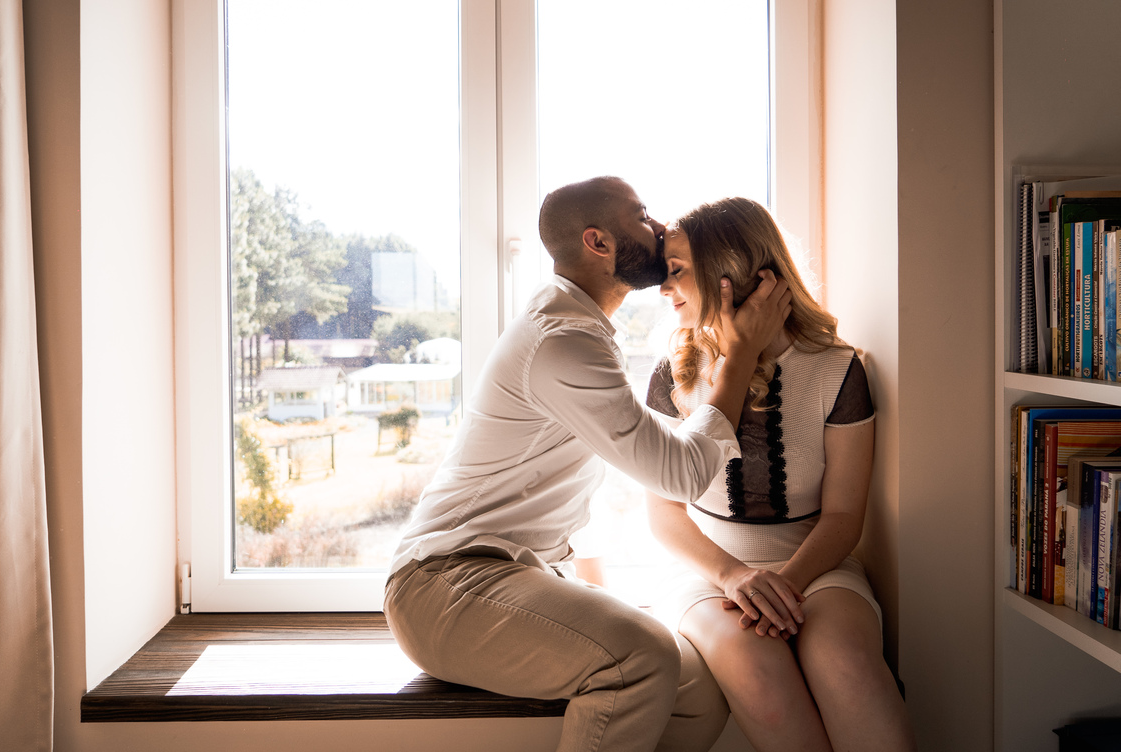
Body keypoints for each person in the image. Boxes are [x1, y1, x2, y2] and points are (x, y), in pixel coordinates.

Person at [383, 176, 791, 752]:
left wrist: (596, 589)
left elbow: (580, 481)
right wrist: (741, 355)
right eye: (641, 214)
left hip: (512, 575)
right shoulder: (564, 341)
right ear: (599, 243)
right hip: (446, 585)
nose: (657, 225)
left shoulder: (581, 330)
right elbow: (677, 474)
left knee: (699, 692)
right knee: (642, 656)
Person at [644, 197, 916, 752]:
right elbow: (664, 515)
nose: (663, 287)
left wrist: (784, 585)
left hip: (819, 567)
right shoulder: (670, 375)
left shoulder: (840, 368)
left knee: (849, 669)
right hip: (706, 572)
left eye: (675, 271)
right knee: (762, 683)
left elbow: (844, 516)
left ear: (730, 273)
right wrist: (735, 578)